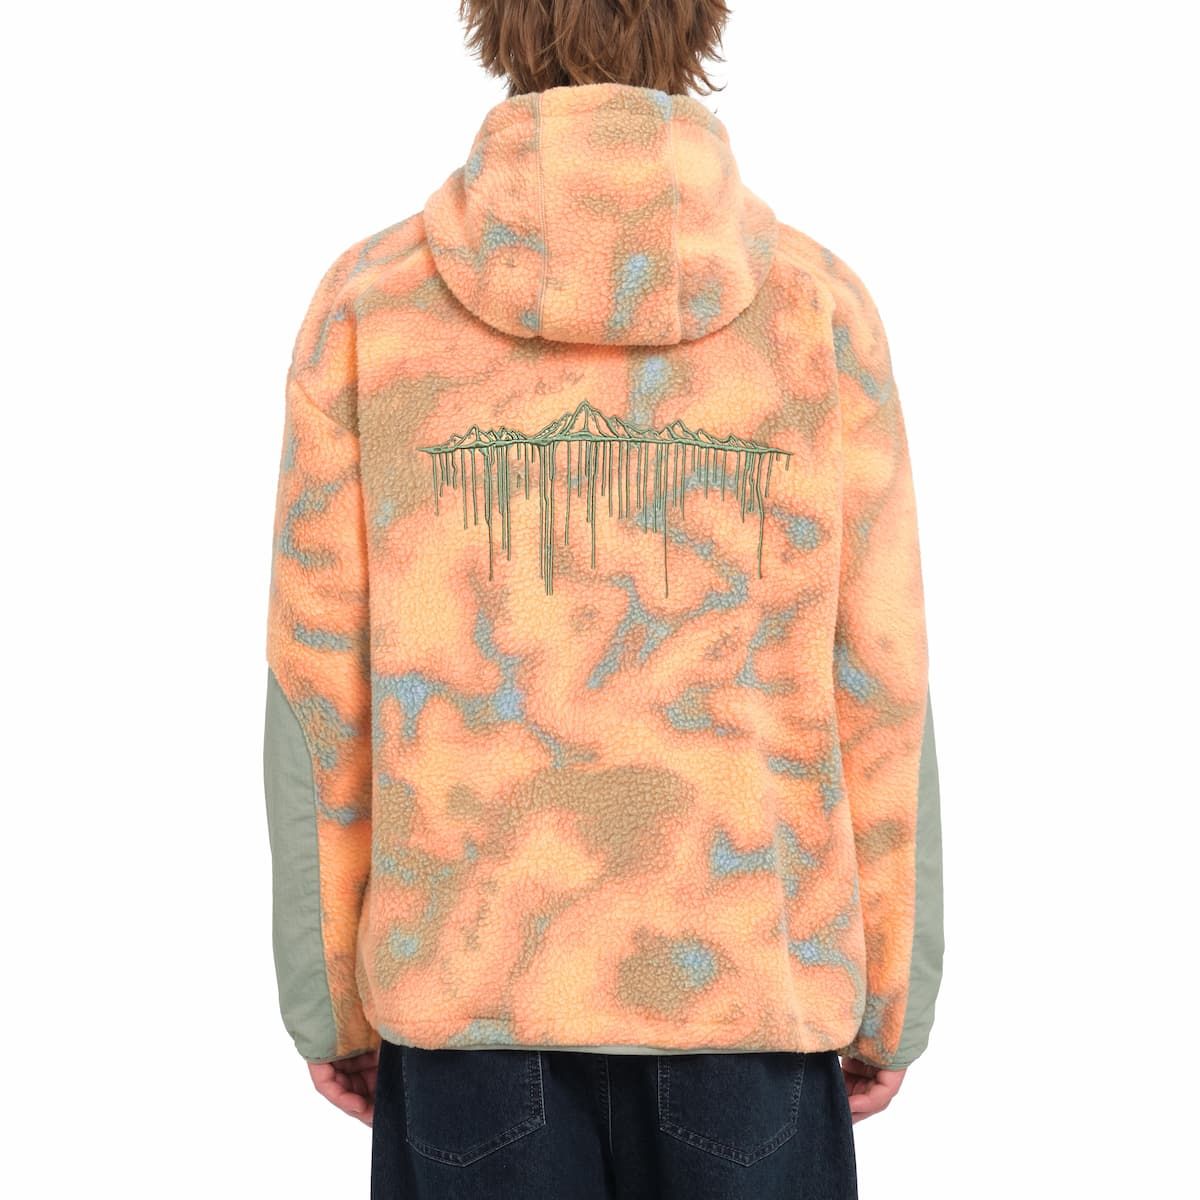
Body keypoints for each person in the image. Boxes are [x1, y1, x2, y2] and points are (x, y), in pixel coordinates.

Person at [261, 2, 943, 1195]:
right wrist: (892, 992)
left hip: (469, 1007)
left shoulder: (371, 305)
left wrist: (328, 999)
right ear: (700, 23)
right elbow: (880, 680)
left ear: (495, 23)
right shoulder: (817, 309)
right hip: (750, 1000)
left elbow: (319, 688)